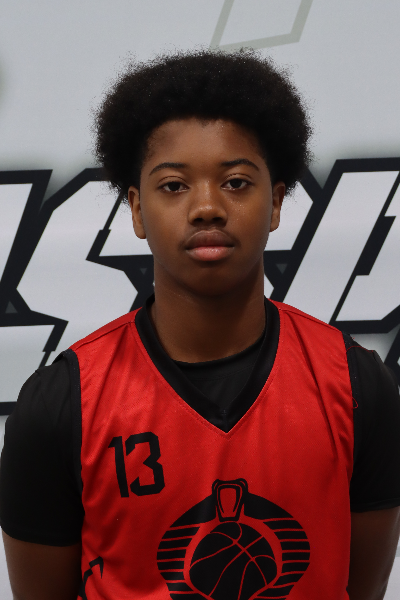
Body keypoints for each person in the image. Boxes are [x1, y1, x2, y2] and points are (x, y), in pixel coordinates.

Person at [1, 49, 400, 600]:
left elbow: (363, 589)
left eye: (236, 182)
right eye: (173, 185)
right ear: (136, 210)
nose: (207, 207)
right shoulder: (59, 407)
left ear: (276, 203)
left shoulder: (358, 386)